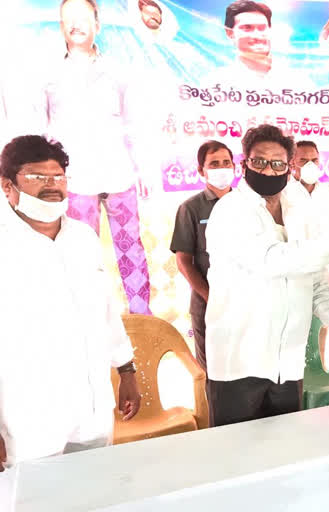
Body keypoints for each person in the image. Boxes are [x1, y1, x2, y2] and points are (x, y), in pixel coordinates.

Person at [203, 125, 329, 426]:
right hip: (240, 364)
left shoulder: (297, 212)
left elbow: (312, 281)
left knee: (285, 458)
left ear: (289, 167)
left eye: (277, 164)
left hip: (288, 364)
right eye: (259, 161)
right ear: (244, 163)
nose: (268, 171)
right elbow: (271, 260)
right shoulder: (229, 210)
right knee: (237, 461)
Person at [0, 135, 140, 475]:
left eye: (59, 176)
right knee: (34, 501)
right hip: (29, 417)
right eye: (37, 177)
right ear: (8, 185)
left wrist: (126, 370)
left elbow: (106, 310)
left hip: (92, 407)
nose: (52, 186)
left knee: (97, 490)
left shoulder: (83, 237)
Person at [45, 0, 153, 315]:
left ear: (97, 24)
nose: (76, 25)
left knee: (131, 248)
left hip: (118, 174)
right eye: (68, 19)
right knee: (79, 251)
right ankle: (86, 317)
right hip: (74, 178)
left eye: (83, 18)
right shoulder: (49, 73)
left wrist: (144, 168)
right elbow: (41, 129)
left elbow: (135, 123)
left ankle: (141, 316)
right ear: (61, 25)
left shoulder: (119, 71)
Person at [170, 140, 235, 380]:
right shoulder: (191, 208)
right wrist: (213, 298)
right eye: (214, 164)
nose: (222, 168)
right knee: (215, 376)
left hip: (246, 303)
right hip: (209, 306)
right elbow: (184, 261)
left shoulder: (248, 204)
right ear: (201, 170)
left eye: (226, 162)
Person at [282, 140, 329, 369]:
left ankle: (320, 368)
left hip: (326, 272)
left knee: (322, 326)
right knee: (295, 331)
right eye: (303, 160)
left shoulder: (325, 192)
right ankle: (297, 378)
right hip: (296, 274)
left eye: (314, 160)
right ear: (292, 164)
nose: (310, 164)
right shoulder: (284, 194)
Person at [212, 1, 312, 89]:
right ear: (230, 33)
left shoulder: (298, 81)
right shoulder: (217, 82)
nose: (257, 35)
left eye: (262, 28)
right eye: (247, 28)